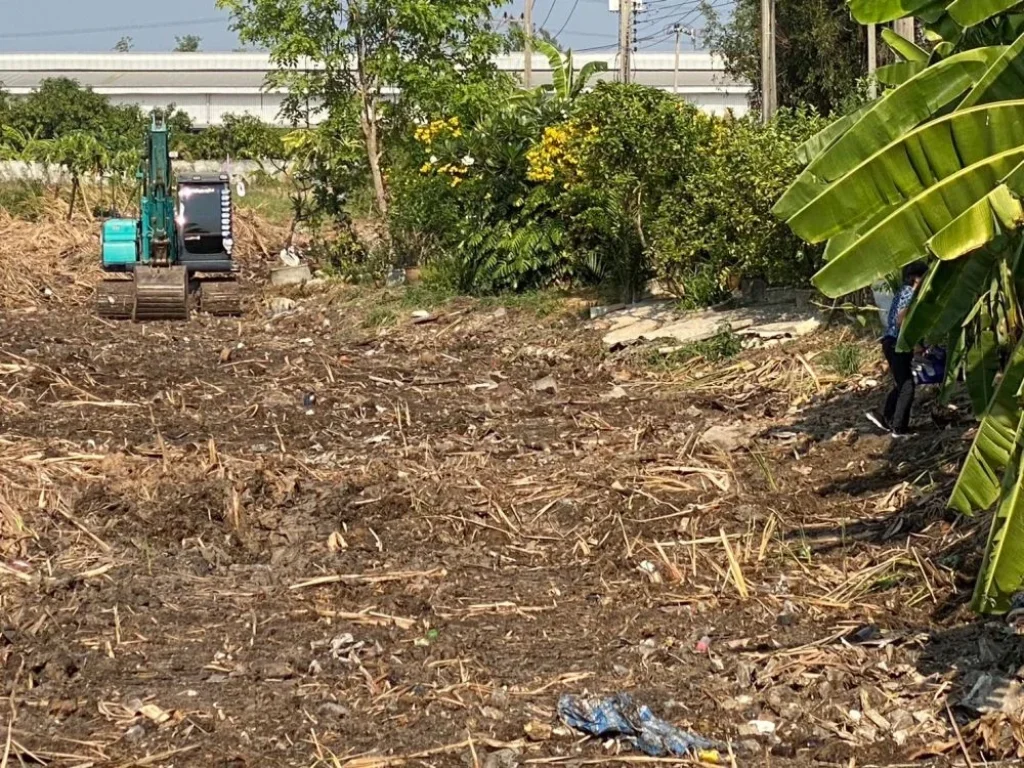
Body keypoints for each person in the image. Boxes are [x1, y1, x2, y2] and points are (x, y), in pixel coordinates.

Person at [870, 261, 928, 436]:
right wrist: (916, 344)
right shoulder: (910, 293)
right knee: (907, 386)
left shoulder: (903, 291)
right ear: (914, 278)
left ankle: (886, 418)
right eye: (923, 278)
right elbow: (901, 319)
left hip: (890, 341)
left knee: (901, 383)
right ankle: (899, 427)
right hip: (897, 343)